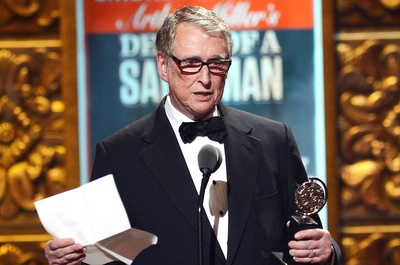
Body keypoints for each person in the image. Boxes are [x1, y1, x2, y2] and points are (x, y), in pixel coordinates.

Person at [44, 5, 341, 265]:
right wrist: (70, 260)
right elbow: (104, 259)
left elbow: (307, 235)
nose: (205, 78)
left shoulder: (274, 140)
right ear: (163, 65)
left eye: (217, 63)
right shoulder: (120, 154)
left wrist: (327, 254)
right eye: (190, 64)